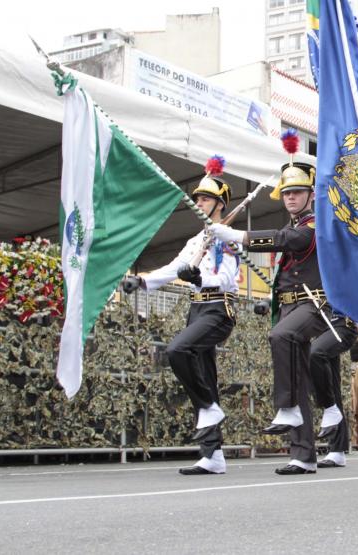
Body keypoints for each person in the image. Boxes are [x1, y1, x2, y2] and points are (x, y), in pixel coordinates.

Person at [210, 159, 338, 475]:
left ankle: (287, 407)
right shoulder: (292, 225)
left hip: (315, 304)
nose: (290, 198)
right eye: (286, 193)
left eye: (297, 192)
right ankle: (304, 455)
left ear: (311, 195)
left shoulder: (318, 223)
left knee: (280, 336)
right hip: (291, 306)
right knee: (299, 378)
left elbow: (290, 241)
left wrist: (236, 235)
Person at [122, 161, 238, 475]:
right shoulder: (194, 242)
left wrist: (198, 278)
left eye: (204, 199)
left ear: (219, 204)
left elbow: (226, 279)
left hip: (218, 309)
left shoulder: (225, 238)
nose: (197, 203)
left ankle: (210, 410)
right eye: (197, 199)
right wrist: (143, 280)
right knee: (204, 375)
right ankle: (213, 456)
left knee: (177, 350)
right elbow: (173, 269)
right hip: (196, 310)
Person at [310, 315, 358, 468]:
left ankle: (330, 408)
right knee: (332, 386)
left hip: (341, 323)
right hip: (322, 328)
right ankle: (337, 451)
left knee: (315, 353)